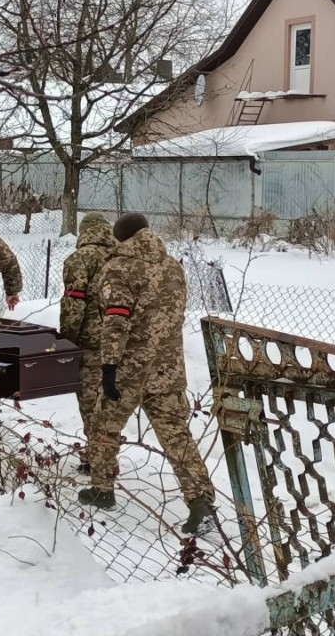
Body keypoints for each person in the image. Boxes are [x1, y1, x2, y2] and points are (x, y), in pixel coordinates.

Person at [78, 213, 216, 535]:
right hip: (167, 367)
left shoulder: (119, 268)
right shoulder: (172, 266)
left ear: (120, 238)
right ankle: (201, 501)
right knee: (176, 434)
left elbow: (116, 320)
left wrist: (108, 366)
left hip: (128, 368)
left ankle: (102, 489)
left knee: (103, 425)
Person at [58, 211, 117, 455]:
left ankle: (98, 457)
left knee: (91, 400)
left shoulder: (80, 258)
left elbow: (74, 304)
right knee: (112, 401)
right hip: (121, 343)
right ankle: (106, 452)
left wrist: (66, 342)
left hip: (91, 344)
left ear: (84, 232)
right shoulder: (123, 256)